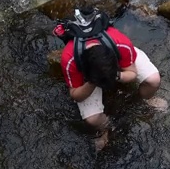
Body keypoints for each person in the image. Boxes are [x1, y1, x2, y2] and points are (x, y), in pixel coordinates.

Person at [55, 8, 163, 150]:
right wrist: (93, 82)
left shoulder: (121, 44)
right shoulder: (70, 59)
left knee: (154, 80)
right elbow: (76, 95)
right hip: (90, 77)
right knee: (92, 120)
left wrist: (116, 75)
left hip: (112, 65)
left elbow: (132, 72)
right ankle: (105, 130)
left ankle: (147, 99)